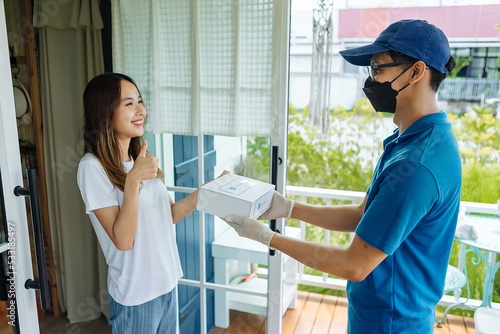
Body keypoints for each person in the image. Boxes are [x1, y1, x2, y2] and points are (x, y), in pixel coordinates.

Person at [223, 19, 462, 333]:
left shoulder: (416, 166)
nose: (371, 80)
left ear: (416, 71)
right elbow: (363, 215)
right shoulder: (411, 141)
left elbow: (354, 265)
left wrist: (264, 236)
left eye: (378, 69)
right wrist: (289, 208)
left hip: (391, 323)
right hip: (385, 312)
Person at [77, 73, 226, 333]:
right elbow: (123, 240)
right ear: (104, 112)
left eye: (140, 101)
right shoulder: (92, 168)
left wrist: (207, 192)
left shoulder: (140, 158)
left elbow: (168, 214)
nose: (141, 110)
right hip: (136, 296)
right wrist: (133, 179)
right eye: (129, 103)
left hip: (166, 283)